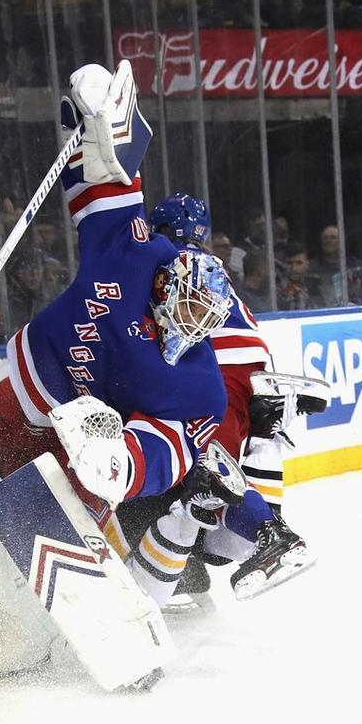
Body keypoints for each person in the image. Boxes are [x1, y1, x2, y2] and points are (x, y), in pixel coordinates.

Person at [0, 63, 314, 611]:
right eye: (189, 307)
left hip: (83, 420)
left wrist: (123, 463)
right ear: (168, 281)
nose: (193, 325)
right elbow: (107, 183)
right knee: (2, 437)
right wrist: (102, 121)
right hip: (32, 382)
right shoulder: (135, 255)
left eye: (206, 319)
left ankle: (56, 588)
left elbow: (170, 449)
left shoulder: (198, 385)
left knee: (88, 477)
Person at [142, 190, 327, 602]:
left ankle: (276, 541)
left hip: (215, 370)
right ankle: (201, 565)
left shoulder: (164, 257)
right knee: (201, 471)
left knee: (207, 473)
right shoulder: (212, 267)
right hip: (251, 372)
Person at [278, 241, 324, 311]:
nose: (294, 268)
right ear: (283, 264)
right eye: (289, 263)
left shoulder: (316, 284)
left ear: (307, 264)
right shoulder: (276, 285)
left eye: (299, 263)